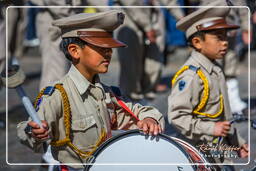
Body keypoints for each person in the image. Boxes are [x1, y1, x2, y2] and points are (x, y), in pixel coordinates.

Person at [17, 10, 164, 170]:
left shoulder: (105, 92)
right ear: (74, 51)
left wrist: (150, 119)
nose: (109, 52)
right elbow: (29, 129)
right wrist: (33, 132)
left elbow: (134, 112)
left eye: (109, 47)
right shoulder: (58, 95)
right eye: (101, 47)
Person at [168, 0, 248, 169]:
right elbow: (176, 117)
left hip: (219, 151)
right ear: (197, 42)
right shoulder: (191, 76)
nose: (225, 42)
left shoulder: (215, 70)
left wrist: (237, 143)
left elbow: (224, 117)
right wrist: (211, 128)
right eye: (218, 37)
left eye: (225, 36)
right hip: (198, 154)